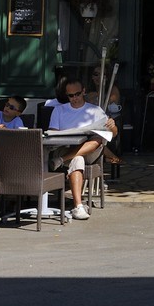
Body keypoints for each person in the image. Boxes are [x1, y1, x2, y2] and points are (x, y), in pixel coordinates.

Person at [47, 77, 111, 220]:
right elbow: (51, 134)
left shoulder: (95, 110)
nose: (74, 98)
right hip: (65, 147)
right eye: (70, 95)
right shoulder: (59, 110)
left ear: (83, 92)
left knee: (97, 140)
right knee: (77, 159)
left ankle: (62, 160)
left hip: (90, 151)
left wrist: (112, 126)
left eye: (77, 94)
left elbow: (112, 133)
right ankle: (78, 206)